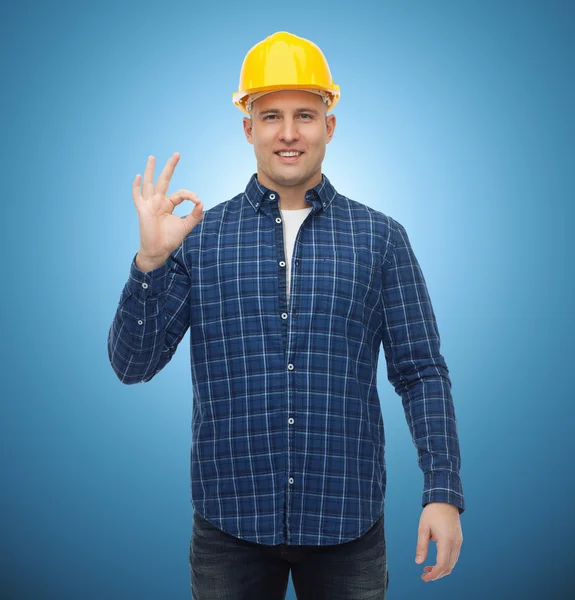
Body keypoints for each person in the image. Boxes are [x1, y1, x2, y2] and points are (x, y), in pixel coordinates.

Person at [108, 30, 464, 600]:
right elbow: (133, 364)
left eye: (306, 114)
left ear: (330, 124)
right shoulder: (201, 239)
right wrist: (151, 260)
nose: (290, 132)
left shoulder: (381, 238)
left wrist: (442, 493)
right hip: (230, 527)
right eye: (271, 116)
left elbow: (420, 372)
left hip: (348, 525)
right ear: (248, 128)